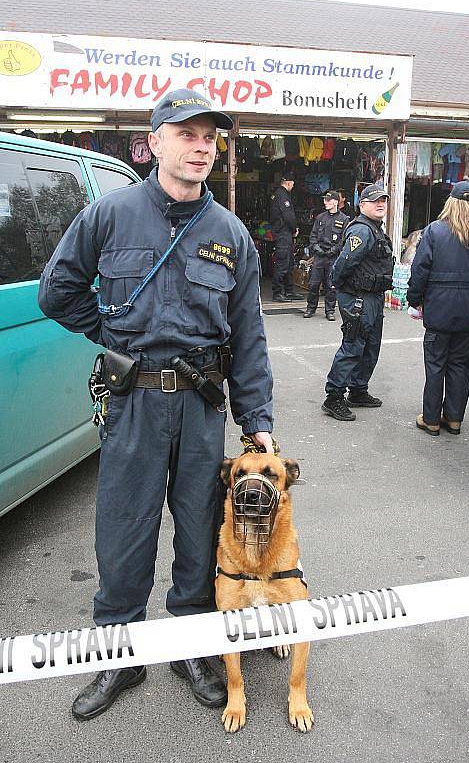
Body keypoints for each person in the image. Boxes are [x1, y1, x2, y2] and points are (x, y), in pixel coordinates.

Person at [38, 88, 274, 719]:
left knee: (200, 530)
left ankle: (190, 647)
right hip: (133, 402)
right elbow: (56, 292)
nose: (201, 147)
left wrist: (259, 423)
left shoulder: (230, 232)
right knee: (123, 529)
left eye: (209, 138)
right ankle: (118, 656)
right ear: (156, 142)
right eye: (187, 134)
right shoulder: (109, 215)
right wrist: (110, 336)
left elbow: (248, 334)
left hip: (200, 404)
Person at [407, 180, 469, 436]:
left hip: (439, 309)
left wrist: (414, 299)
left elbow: (420, 269)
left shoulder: (435, 230)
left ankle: (432, 419)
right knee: (460, 364)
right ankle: (454, 418)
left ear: (451, 202)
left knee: (435, 364)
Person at [321, 184, 393, 421]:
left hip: (372, 297)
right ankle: (333, 397)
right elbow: (344, 263)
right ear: (362, 205)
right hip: (358, 297)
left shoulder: (375, 229)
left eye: (383, 200)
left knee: (370, 347)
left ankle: (358, 390)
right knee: (353, 346)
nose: (380, 203)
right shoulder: (362, 230)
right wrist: (340, 287)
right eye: (374, 201)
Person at [304, 190, 349, 320]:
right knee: (313, 284)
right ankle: (310, 308)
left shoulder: (344, 219)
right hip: (319, 256)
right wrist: (316, 248)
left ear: (335, 202)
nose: (325, 202)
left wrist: (334, 250)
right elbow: (312, 236)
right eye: (325, 200)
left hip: (333, 257)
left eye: (328, 200)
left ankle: (330, 311)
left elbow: (344, 240)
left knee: (331, 285)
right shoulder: (320, 217)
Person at [270, 174, 303, 302]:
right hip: (283, 232)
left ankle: (289, 291)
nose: (293, 187)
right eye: (293, 184)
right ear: (288, 183)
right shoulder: (282, 195)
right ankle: (277, 292)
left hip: (284, 233)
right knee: (282, 262)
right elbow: (288, 215)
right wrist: (295, 229)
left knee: (289, 263)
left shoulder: (280, 194)